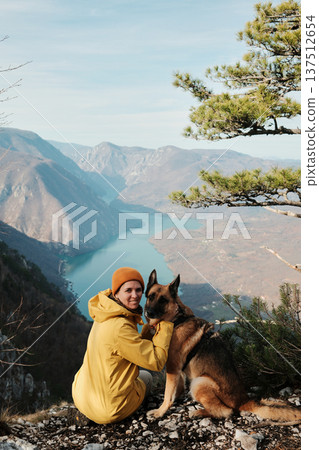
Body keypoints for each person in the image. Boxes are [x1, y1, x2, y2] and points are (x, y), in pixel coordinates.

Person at [72, 267, 174, 424]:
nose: (135, 295)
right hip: (109, 410)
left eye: (138, 290)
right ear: (116, 293)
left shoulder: (105, 312)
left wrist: (146, 329)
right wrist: (165, 325)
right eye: (128, 290)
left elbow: (126, 347)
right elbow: (157, 362)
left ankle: (91, 410)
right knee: (146, 377)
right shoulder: (120, 327)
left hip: (81, 395)